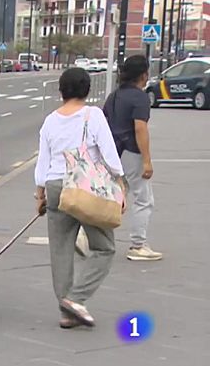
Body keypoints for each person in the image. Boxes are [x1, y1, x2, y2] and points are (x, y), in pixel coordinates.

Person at [34, 68, 125, 328]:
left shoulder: (50, 120)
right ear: (86, 90)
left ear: (61, 90)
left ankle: (66, 311)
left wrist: (40, 193)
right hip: (86, 187)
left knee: (60, 250)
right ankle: (76, 298)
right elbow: (109, 155)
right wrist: (120, 186)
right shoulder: (92, 115)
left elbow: (43, 161)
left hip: (54, 185)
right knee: (104, 247)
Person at [103, 55, 161, 261]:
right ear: (144, 74)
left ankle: (86, 235)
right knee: (143, 199)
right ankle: (138, 245)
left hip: (113, 152)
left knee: (112, 195)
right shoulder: (140, 98)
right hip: (131, 152)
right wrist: (147, 160)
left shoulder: (114, 96)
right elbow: (140, 128)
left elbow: (104, 122)